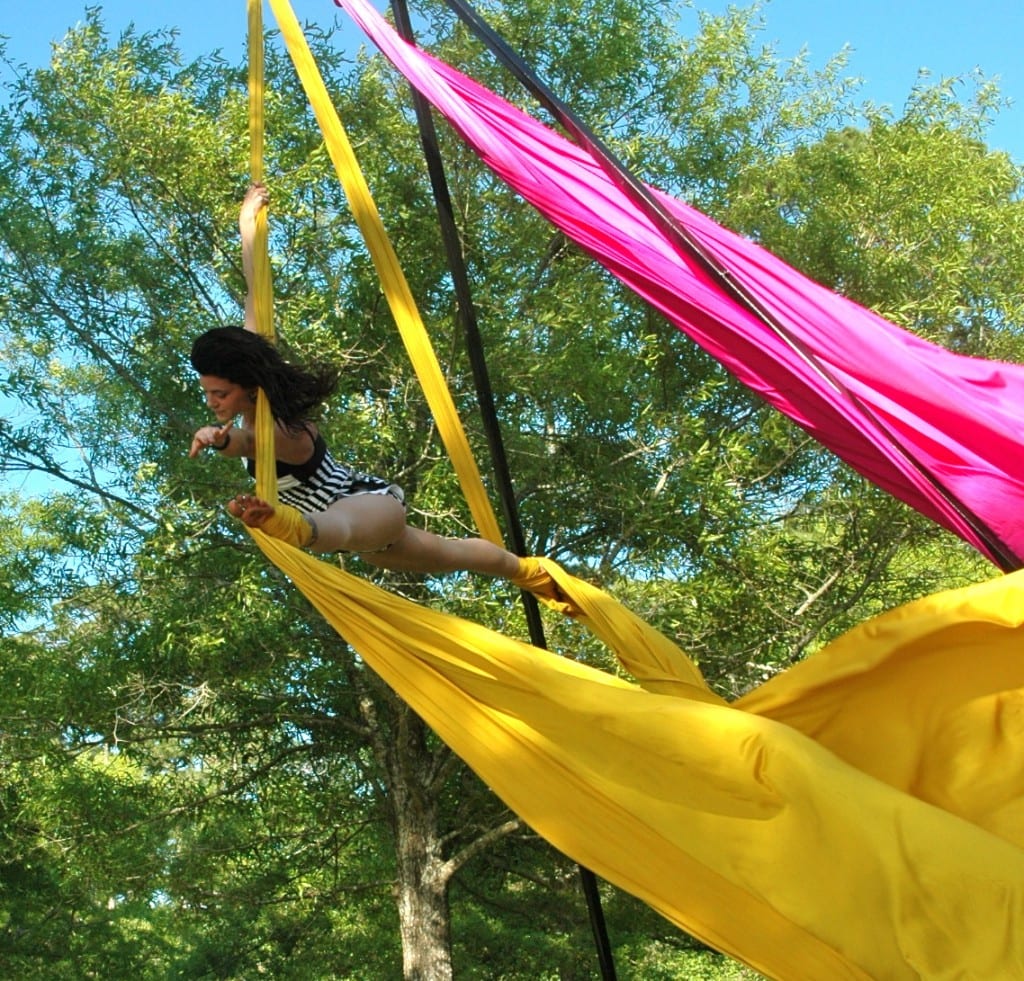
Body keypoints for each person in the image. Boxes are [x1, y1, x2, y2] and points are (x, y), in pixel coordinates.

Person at [188, 184, 565, 600]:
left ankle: (288, 525)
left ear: (249, 388)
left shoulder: (282, 431)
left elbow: (246, 442)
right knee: (455, 553)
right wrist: (248, 225)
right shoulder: (252, 393)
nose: (212, 402)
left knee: (339, 526)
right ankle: (534, 576)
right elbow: (254, 293)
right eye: (208, 393)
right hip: (371, 539)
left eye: (219, 394)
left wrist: (217, 439)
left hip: (362, 505)